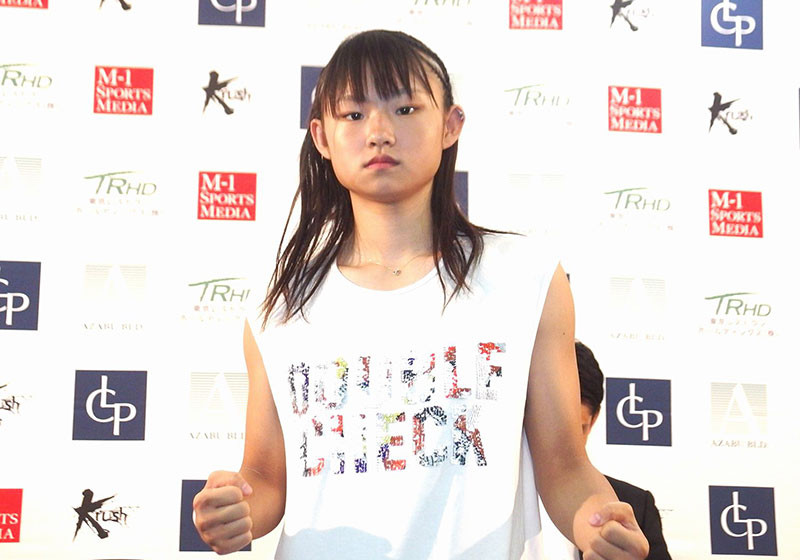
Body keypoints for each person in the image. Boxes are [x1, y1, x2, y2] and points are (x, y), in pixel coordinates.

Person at [191, 29, 649, 559]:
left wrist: (597, 521)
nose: (379, 132)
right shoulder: (280, 306)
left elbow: (566, 467)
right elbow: (266, 478)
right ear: (322, 137)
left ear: (450, 125)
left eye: (405, 109)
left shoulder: (526, 277)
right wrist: (238, 508)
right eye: (354, 114)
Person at [574, 341, 672, 560]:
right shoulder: (497, 501)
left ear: (594, 420)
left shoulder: (635, 507)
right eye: (552, 428)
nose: (564, 444)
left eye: (577, 430)